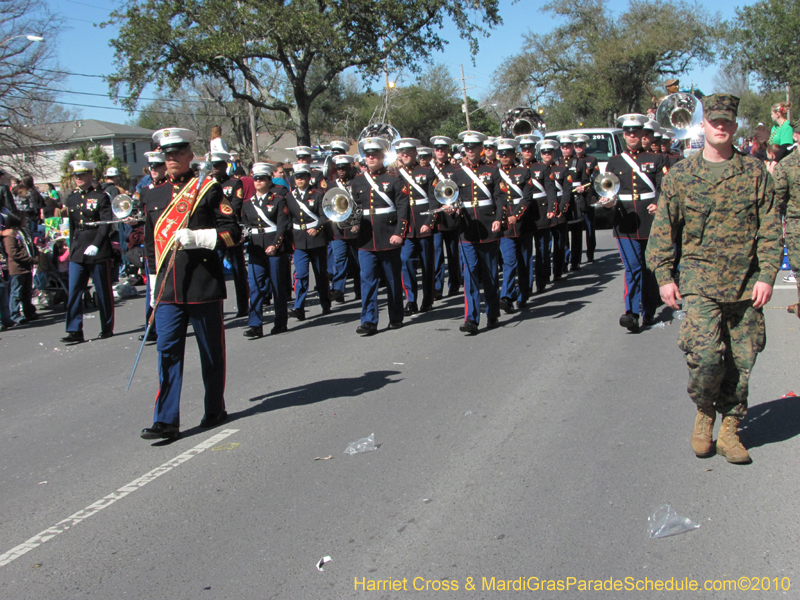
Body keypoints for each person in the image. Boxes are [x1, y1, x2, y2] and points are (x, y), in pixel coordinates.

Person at [646, 94, 781, 465]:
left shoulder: (754, 172)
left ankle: (731, 428)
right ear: (703, 125)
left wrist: (767, 275)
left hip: (746, 283)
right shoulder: (683, 175)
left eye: (727, 122)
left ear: (734, 126)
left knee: (742, 360)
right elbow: (664, 229)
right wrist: (664, 276)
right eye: (714, 121)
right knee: (706, 357)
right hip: (700, 280)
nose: (720, 127)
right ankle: (705, 411)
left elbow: (770, 229)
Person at [141, 127, 240, 441]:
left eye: (177, 153)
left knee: (210, 353)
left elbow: (233, 232)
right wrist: (153, 284)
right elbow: (149, 245)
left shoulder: (208, 189)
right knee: (167, 352)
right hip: (168, 288)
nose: (171, 159)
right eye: (167, 154)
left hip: (202, 284)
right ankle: (165, 420)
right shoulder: (152, 195)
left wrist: (200, 237)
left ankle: (215, 408)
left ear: (189, 155)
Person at [602, 113, 668, 333]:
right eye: (628, 133)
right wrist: (608, 203)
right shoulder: (615, 161)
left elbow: (664, 186)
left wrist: (658, 203)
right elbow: (609, 190)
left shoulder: (656, 159)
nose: (632, 136)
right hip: (625, 221)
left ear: (642, 134)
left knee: (649, 268)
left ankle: (649, 311)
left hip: (650, 220)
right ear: (624, 135)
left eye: (636, 132)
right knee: (633, 267)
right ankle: (631, 313)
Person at [349, 137, 408, 335]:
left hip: (389, 236)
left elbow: (402, 208)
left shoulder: (394, 179)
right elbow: (354, 208)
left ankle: (396, 316)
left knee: (392, 279)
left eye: (375, 155)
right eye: (368, 155)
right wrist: (353, 225)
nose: (371, 158)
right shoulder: (357, 181)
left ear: (383, 157)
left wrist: (399, 233)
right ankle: (368, 321)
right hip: (366, 238)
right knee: (367, 280)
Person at [451, 130, 505, 334]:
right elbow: (452, 199)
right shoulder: (457, 174)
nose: (470, 150)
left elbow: (500, 198)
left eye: (473, 147)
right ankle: (471, 319)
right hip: (467, 230)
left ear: (481, 149)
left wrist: (499, 219)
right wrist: (453, 210)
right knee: (470, 273)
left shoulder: (492, 171)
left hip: (489, 227)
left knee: (490, 274)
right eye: (467, 147)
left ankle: (492, 313)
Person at [61, 160, 116, 344]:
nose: (78, 178)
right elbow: (72, 225)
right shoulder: (72, 198)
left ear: (90, 175)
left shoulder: (101, 196)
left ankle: (106, 326)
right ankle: (74, 330)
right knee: (74, 290)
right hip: (78, 248)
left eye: (82, 175)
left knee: (102, 291)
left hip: (96, 248)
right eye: (76, 175)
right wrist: (71, 247)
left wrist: (97, 244)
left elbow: (105, 224)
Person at [241, 162, 291, 338]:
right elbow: (246, 226)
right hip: (256, 249)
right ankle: (255, 325)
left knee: (277, 286)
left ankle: (280, 322)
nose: (258, 182)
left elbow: (282, 226)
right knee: (255, 287)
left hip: (274, 248)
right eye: (256, 179)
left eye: (262, 179)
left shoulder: (278, 200)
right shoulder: (248, 204)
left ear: (269, 181)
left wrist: (275, 245)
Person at [394, 138, 437, 315]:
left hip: (423, 223)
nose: (404, 155)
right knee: (405, 261)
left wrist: (429, 222)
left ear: (415, 153)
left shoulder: (427, 172)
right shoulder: (396, 175)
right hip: (406, 226)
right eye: (401, 153)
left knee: (427, 264)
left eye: (408, 152)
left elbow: (434, 199)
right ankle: (411, 300)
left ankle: (428, 298)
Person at [285, 163, 331, 320]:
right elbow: (287, 218)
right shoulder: (289, 197)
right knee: (301, 274)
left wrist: (317, 228)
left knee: (320, 274)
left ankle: (325, 303)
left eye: (302, 177)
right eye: (297, 177)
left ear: (308, 178)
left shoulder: (318, 194)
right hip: (299, 240)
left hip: (316, 239)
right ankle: (299, 307)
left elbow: (325, 215)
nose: (299, 180)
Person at [209, 151, 249, 317]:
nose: (215, 169)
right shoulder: (207, 184)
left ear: (225, 166)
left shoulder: (234, 183)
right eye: (213, 166)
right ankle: (216, 307)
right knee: (214, 270)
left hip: (230, 230)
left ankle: (243, 306)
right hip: (213, 232)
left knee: (238, 269)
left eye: (218, 165)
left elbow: (235, 205)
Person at [495, 138, 532, 312]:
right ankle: (506, 296)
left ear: (513, 154)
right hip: (505, 226)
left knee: (524, 262)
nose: (504, 157)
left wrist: (516, 215)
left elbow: (527, 197)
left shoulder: (523, 172)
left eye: (507, 154)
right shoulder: (495, 174)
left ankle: (523, 295)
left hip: (523, 224)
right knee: (509, 261)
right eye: (501, 154)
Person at [137, 150, 168, 343]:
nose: (153, 170)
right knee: (152, 289)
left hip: (167, 241)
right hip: (152, 244)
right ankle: (151, 327)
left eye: (157, 166)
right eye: (151, 167)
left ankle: (167, 325)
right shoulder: (145, 191)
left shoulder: (171, 189)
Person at [429, 135, 460, 299]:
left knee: (453, 253)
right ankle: (437, 287)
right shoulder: (429, 170)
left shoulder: (455, 169)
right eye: (437, 149)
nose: (440, 151)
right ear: (434, 151)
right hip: (436, 218)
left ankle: (454, 283)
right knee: (437, 254)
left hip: (451, 217)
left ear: (448, 150)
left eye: (443, 149)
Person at [328, 154, 361, 304]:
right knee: (339, 259)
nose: (341, 171)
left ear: (349, 168)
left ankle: (359, 290)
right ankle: (338, 290)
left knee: (357, 261)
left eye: (343, 168)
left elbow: (361, 204)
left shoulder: (357, 183)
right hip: (339, 228)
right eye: (338, 169)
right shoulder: (332, 185)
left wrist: (357, 223)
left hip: (354, 227)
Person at [556, 134, 589, 272]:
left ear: (572, 147)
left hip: (575, 200)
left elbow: (587, 182)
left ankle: (575, 261)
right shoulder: (557, 162)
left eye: (568, 146)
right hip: (562, 199)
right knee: (563, 233)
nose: (566, 149)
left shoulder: (580, 162)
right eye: (563, 147)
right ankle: (564, 261)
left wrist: (583, 188)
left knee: (576, 232)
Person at [1, 212, 38, 325]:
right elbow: (13, 253)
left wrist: (36, 255)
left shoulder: (24, 232)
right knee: (16, 292)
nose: (26, 221)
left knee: (27, 292)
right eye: (24, 219)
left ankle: (29, 311)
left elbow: (31, 246)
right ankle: (15, 314)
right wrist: (30, 259)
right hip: (17, 268)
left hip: (27, 267)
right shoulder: (10, 235)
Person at [573, 134, 600, 263]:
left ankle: (590, 254)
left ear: (585, 146)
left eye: (581, 145)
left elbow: (596, 178)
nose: (578, 147)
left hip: (588, 196)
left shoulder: (591, 160)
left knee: (590, 227)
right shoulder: (571, 161)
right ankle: (575, 257)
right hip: (575, 198)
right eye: (576, 145)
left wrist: (594, 195)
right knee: (576, 228)